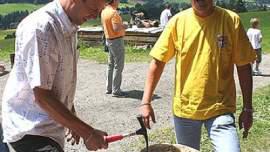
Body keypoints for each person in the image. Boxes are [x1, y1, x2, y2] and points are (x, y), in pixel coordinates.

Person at [139, 0, 256, 151]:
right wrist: (145, 102)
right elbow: (158, 62)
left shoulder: (230, 20)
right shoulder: (178, 22)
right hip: (185, 111)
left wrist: (248, 108)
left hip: (220, 109)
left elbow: (243, 66)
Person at [1, 0, 108, 151]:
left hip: (47, 129)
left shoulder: (69, 26)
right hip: (29, 130)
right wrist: (88, 133)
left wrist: (72, 119)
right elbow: (43, 96)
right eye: (93, 8)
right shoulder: (42, 29)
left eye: (100, 9)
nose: (96, 15)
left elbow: (59, 82)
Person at [101, 0, 128, 97]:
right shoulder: (114, 13)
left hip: (109, 40)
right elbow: (116, 28)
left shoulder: (104, 11)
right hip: (116, 40)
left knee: (110, 64)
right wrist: (125, 25)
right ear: (114, 1)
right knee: (118, 65)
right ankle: (116, 90)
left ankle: (109, 88)